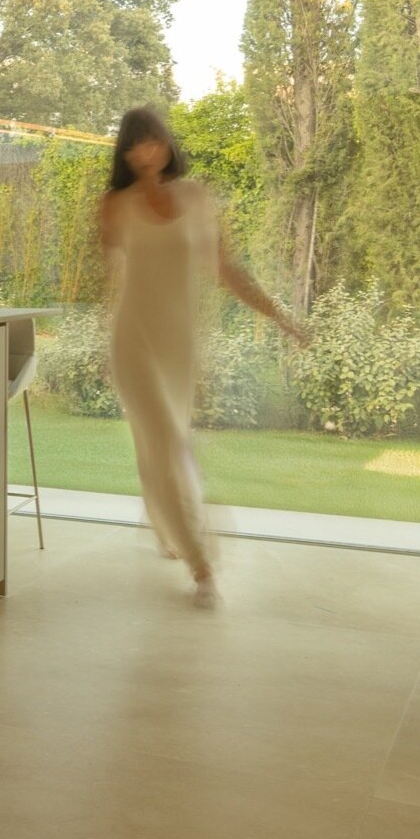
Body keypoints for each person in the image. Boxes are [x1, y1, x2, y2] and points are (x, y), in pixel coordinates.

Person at [99, 105, 307, 608]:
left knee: (163, 447)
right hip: (134, 340)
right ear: (125, 153)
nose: (146, 150)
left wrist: (276, 313)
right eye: (135, 143)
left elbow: (225, 269)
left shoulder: (196, 197)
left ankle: (165, 526)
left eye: (153, 140)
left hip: (179, 344)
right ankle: (202, 564)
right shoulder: (116, 205)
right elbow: (110, 276)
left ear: (168, 143)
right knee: (166, 443)